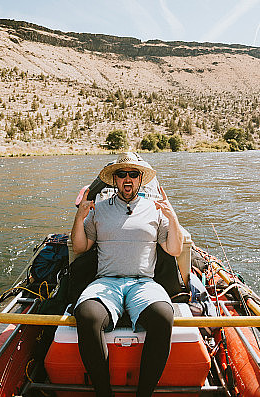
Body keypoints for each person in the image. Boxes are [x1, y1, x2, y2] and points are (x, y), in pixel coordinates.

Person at [71, 152, 184, 397]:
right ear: (115, 179)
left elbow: (174, 249)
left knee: (164, 316)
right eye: (122, 174)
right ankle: (104, 394)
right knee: (87, 315)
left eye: (133, 174)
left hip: (143, 283)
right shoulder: (99, 209)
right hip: (106, 282)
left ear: (140, 178)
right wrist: (80, 216)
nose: (127, 179)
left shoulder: (156, 210)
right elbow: (80, 247)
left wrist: (172, 217)